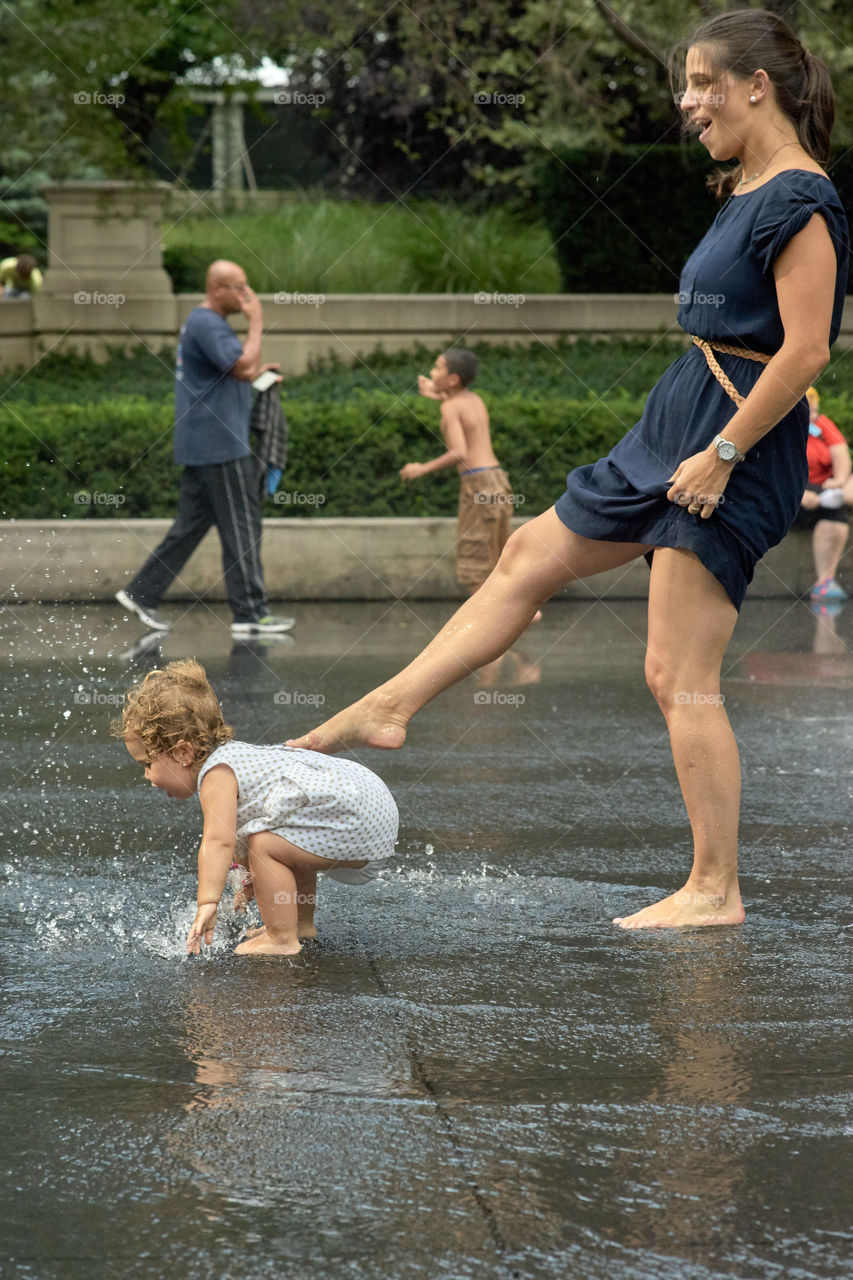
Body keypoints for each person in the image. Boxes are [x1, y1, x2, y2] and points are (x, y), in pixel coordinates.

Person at [286, 8, 849, 931]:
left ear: (760, 84)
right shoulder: (742, 187)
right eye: (687, 82)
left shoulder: (802, 200)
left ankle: (715, 891)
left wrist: (720, 455)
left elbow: (805, 353)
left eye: (706, 82)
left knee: (678, 676)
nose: (688, 99)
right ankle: (393, 704)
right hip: (679, 416)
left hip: (733, 437)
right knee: (523, 559)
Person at [114, 659, 398, 957]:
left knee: (264, 844)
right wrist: (250, 883)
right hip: (369, 810)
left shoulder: (216, 774)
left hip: (357, 819)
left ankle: (282, 938)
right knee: (280, 842)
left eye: (147, 763)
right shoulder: (234, 758)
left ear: (183, 752)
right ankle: (299, 925)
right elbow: (247, 836)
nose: (147, 776)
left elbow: (217, 841)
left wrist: (207, 902)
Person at [115, 259, 294, 636]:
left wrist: (259, 375)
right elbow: (243, 368)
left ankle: (141, 594)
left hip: (206, 442)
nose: (247, 295)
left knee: (190, 527)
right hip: (221, 444)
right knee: (243, 525)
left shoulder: (207, 324)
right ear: (217, 289)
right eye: (239, 287)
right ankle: (251, 613)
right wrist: (257, 320)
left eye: (247, 288)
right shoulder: (207, 323)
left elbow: (235, 374)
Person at [404, 349, 516, 595]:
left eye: (437, 368)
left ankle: (495, 626)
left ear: (453, 379)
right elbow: (458, 407)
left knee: (474, 565)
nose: (432, 373)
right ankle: (523, 615)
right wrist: (438, 393)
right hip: (498, 480)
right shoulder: (474, 400)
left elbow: (459, 453)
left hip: (477, 484)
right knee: (497, 559)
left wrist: (421, 468)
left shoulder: (451, 408)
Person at [791, 386, 851, 600]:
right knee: (831, 505)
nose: (814, 417)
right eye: (810, 411)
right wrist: (799, 494)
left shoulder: (822, 425)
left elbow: (841, 455)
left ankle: (825, 582)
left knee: (834, 512)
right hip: (794, 493)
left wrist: (840, 481)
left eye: (815, 411)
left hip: (823, 490)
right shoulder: (784, 429)